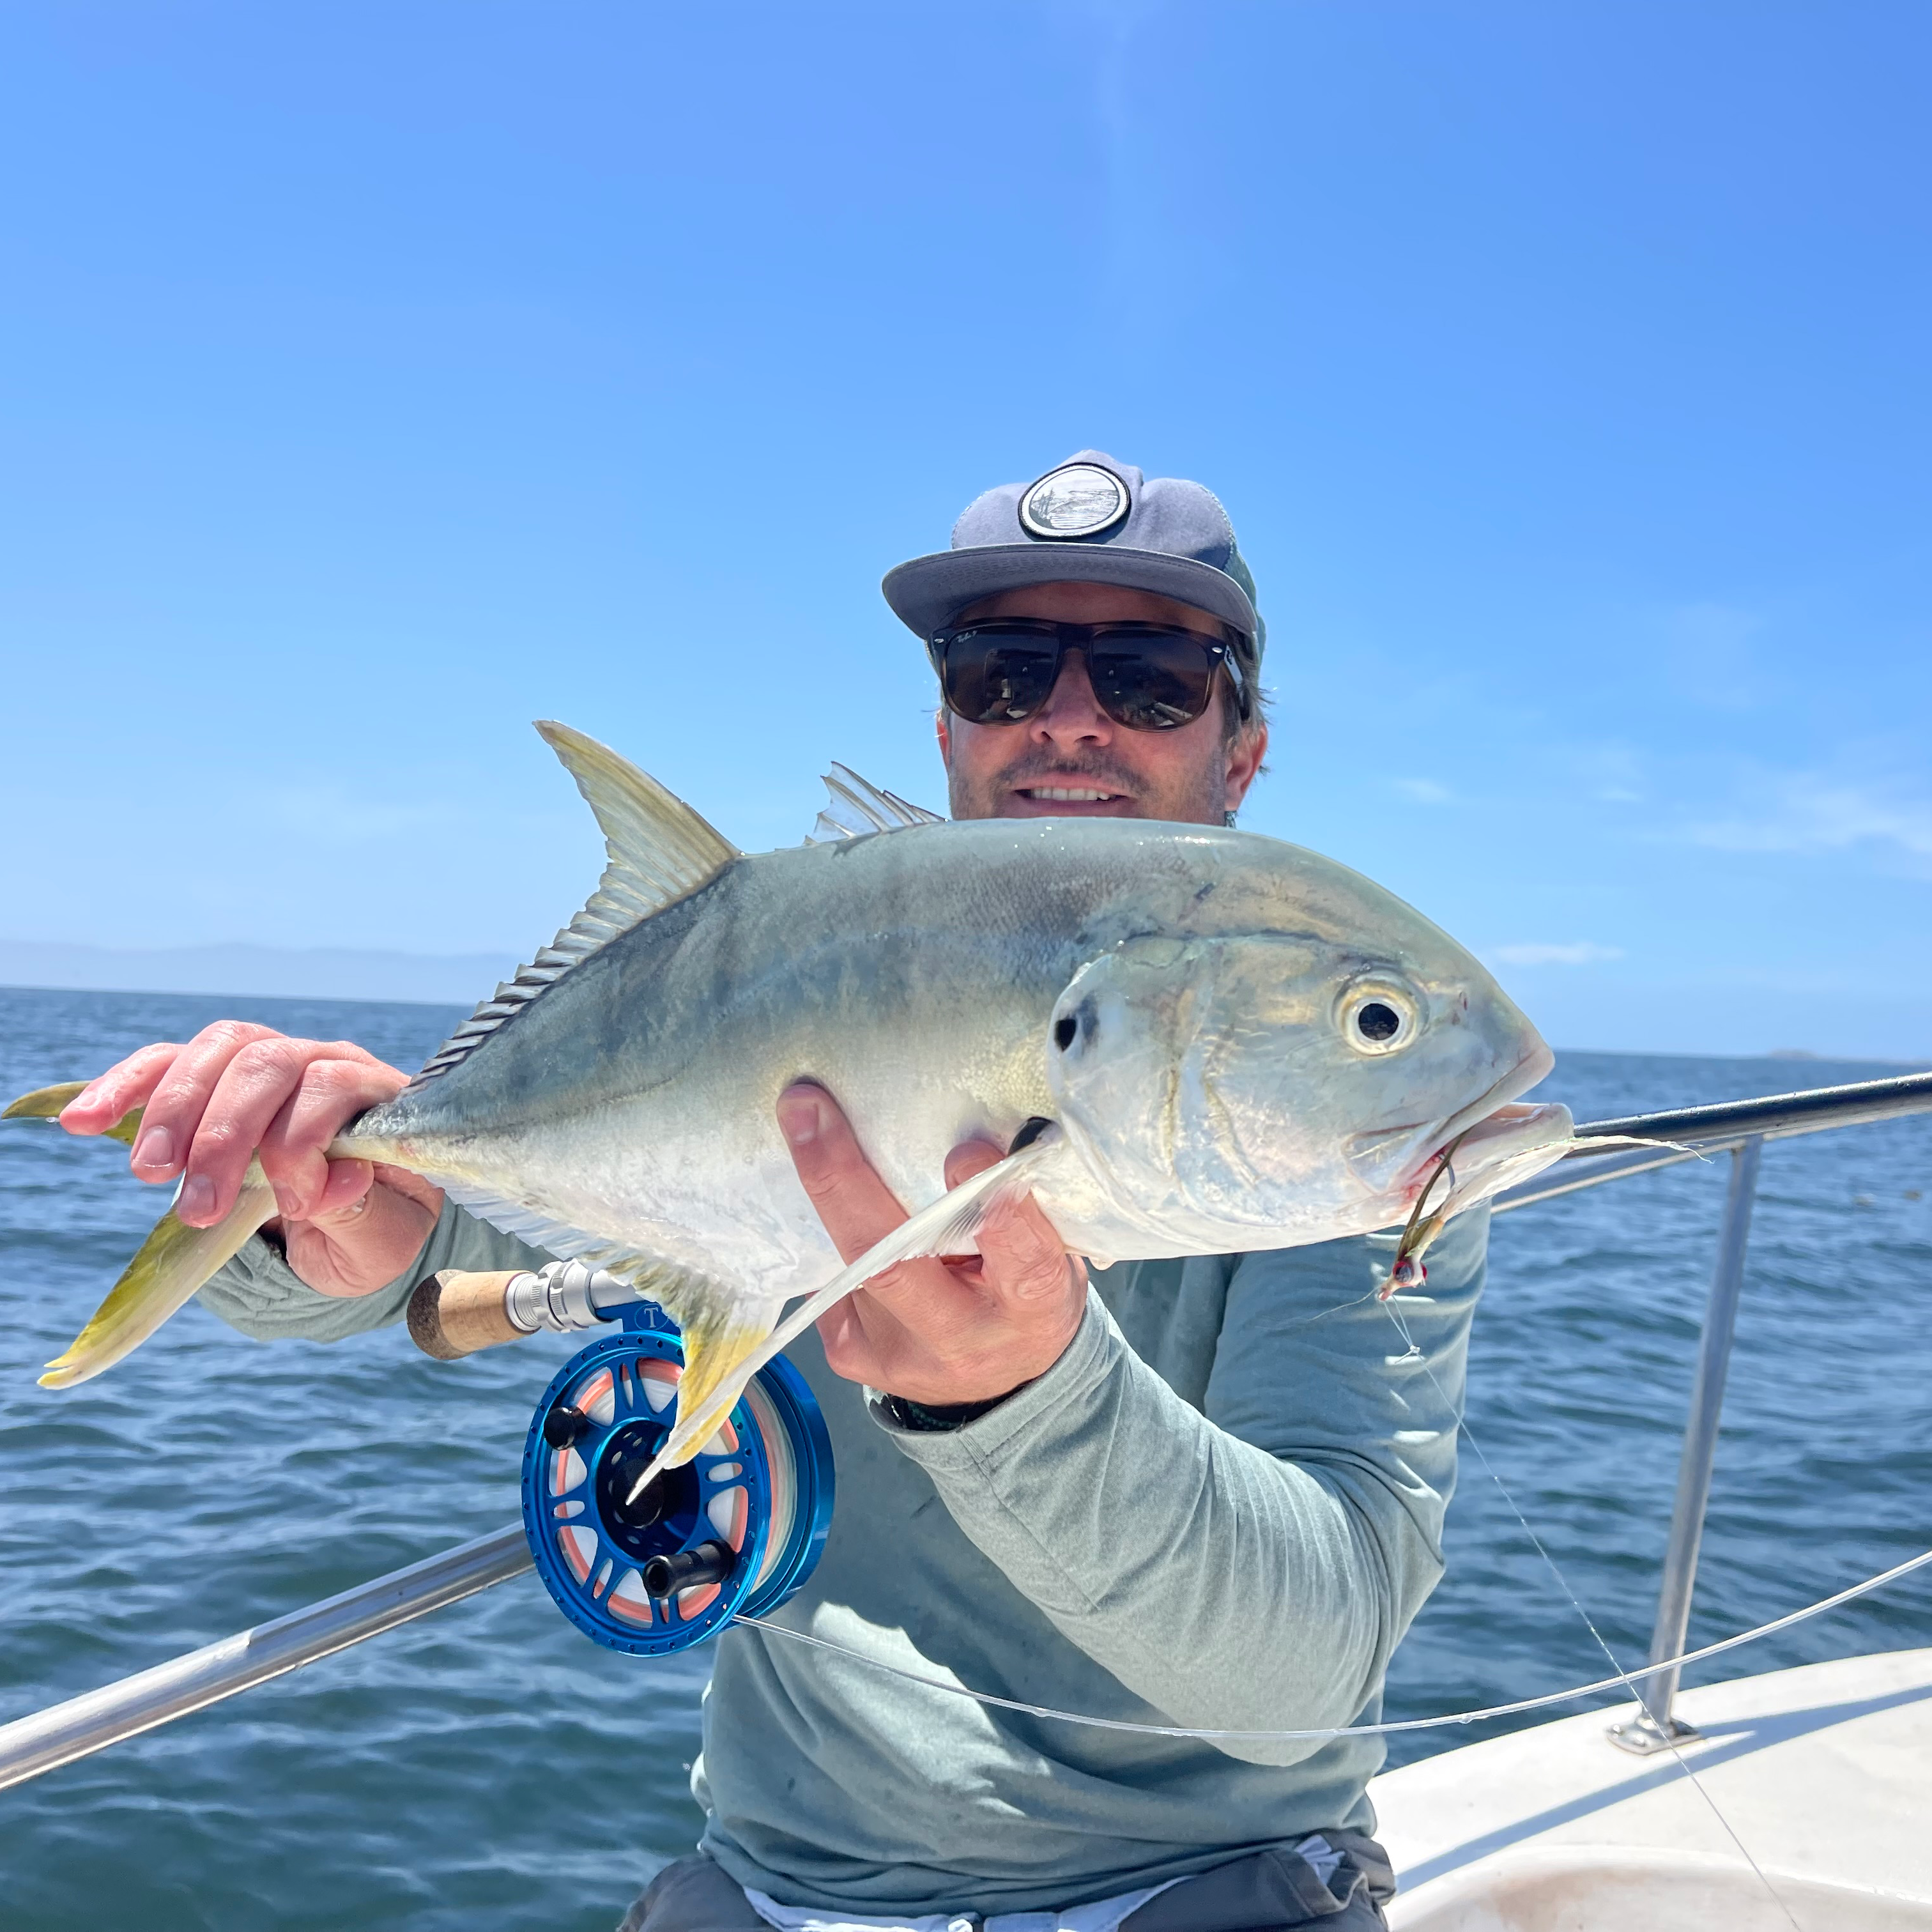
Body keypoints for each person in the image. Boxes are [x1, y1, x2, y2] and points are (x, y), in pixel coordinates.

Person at [62, 452, 1489, 1931]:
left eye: (1147, 677)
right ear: (945, 721)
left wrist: (1025, 1396)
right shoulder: (777, 977)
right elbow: (363, 1280)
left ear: (1242, 747)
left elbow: (1308, 1675)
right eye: (1004, 671)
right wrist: (322, 1210)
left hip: (1199, 1891)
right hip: (781, 1890)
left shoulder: (1363, 1152)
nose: (1068, 717)